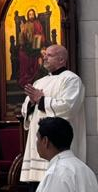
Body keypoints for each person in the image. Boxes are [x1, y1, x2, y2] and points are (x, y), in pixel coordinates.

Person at [20, 45, 86, 184]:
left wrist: (41, 100)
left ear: (61, 59)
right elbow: (26, 111)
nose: (44, 58)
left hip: (57, 144)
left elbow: (68, 107)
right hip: (38, 144)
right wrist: (31, 103)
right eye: (45, 55)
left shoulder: (71, 80)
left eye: (49, 55)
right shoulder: (39, 82)